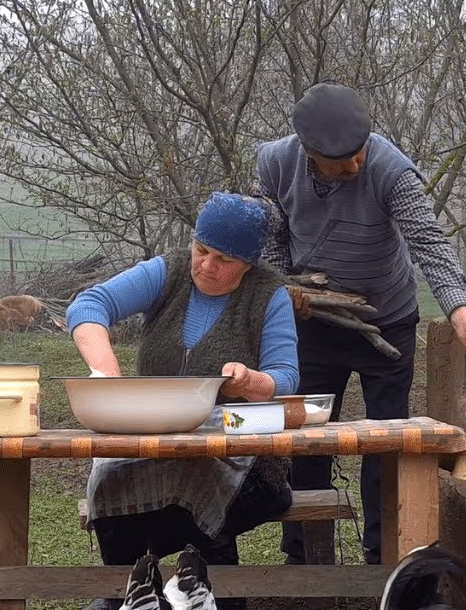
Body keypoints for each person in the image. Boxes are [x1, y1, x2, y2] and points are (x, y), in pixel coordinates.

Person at [256, 81, 466, 565]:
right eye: (341, 159)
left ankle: (385, 555)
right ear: (308, 151)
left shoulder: (391, 170)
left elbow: (430, 245)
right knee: (306, 443)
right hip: (313, 325)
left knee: (385, 441)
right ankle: (308, 560)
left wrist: (461, 314)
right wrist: (282, 287)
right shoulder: (273, 163)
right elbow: (271, 233)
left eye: (360, 152)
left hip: (386, 321)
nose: (356, 164)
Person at [66, 191, 300, 610]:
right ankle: (127, 588)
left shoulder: (269, 295)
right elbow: (89, 304)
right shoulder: (167, 273)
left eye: (224, 260)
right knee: (111, 474)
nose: (207, 265)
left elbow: (286, 377)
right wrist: (108, 375)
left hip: (242, 451)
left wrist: (250, 382)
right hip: (156, 442)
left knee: (204, 484)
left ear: (248, 265)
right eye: (201, 250)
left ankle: (201, 593)